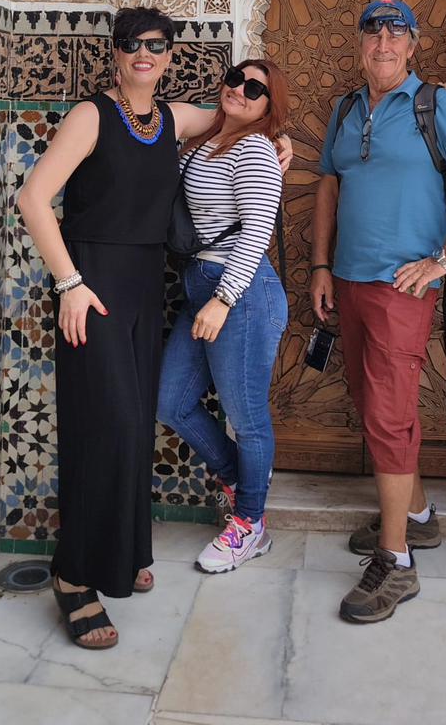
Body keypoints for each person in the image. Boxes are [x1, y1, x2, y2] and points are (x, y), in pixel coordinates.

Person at [17, 9, 290, 649]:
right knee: (106, 425)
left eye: (157, 45)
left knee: (136, 423)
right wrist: (69, 283)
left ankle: (122, 552)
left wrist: (277, 142)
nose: (145, 53)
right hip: (93, 286)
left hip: (145, 286)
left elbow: (236, 117)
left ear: (170, 56)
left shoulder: (174, 119)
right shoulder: (92, 116)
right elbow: (33, 198)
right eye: (133, 44)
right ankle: (73, 576)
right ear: (116, 53)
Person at [310, 0, 446, 623]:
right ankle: (416, 517)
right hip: (349, 280)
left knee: (389, 418)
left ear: (413, 46)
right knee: (375, 409)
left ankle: (396, 562)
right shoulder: (345, 108)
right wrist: (320, 266)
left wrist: (444, 259)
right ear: (360, 44)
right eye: (374, 33)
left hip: (403, 287)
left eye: (397, 34)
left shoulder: (434, 103)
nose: (384, 44)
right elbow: (329, 185)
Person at [157, 59, 290, 573]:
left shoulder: (255, 148)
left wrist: (224, 299)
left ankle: (249, 524)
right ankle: (240, 478)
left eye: (255, 89)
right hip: (200, 283)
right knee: (171, 401)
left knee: (247, 417)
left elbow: (257, 229)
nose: (240, 90)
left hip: (241, 293)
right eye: (236, 78)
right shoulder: (205, 138)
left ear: (268, 105)